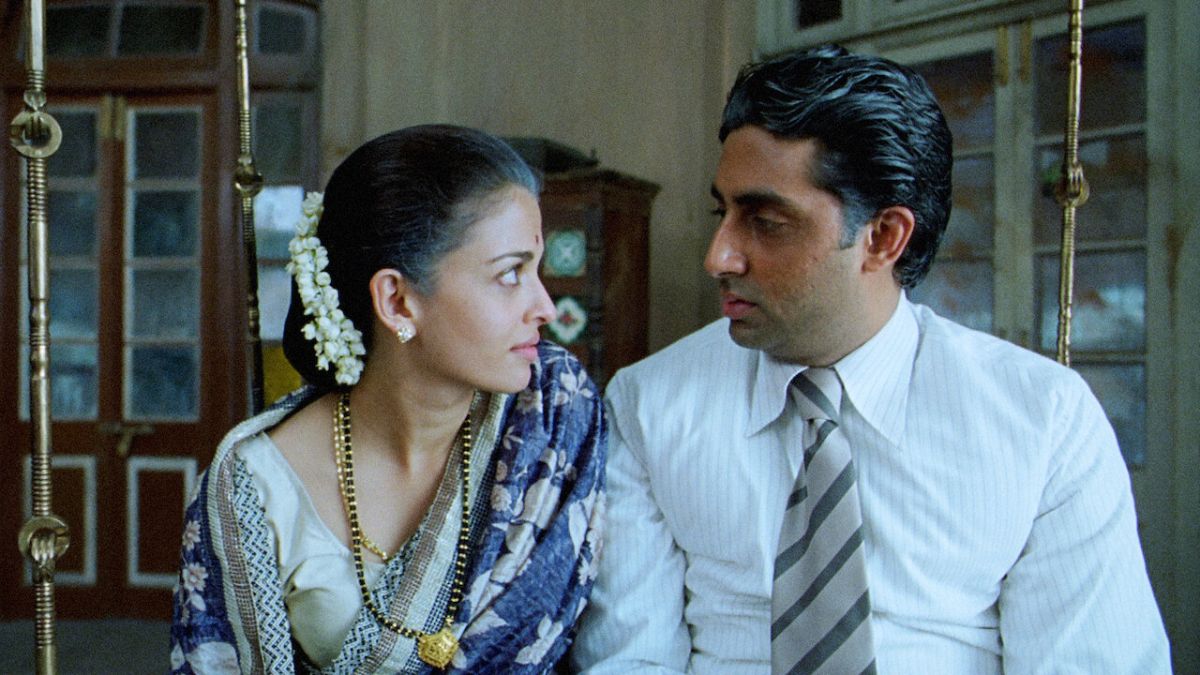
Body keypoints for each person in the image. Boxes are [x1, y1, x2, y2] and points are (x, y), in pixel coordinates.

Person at [570, 44, 1170, 673]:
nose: (718, 257)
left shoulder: (1043, 418)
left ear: (882, 237)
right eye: (723, 213)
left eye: (765, 222)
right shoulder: (648, 404)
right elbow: (630, 662)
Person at [169, 125, 606, 674]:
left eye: (536, 269)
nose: (544, 305)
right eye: (510, 274)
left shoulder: (553, 414)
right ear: (397, 301)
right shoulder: (255, 491)